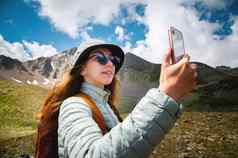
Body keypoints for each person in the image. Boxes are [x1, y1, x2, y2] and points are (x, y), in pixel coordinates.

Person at [35, 42, 197, 158]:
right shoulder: (74, 104)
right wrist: (165, 95)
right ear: (82, 69)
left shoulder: (106, 105)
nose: (110, 64)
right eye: (100, 58)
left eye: (114, 60)